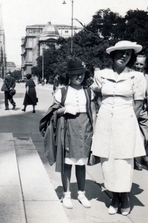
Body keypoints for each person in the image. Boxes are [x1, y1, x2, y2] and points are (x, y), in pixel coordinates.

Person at [91, 40, 146, 216]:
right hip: (105, 121)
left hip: (126, 122)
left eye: (128, 54)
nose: (124, 56)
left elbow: (138, 103)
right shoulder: (101, 75)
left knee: (124, 161)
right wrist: (102, 113)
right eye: (121, 53)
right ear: (113, 55)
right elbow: (98, 98)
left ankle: (124, 197)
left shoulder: (136, 77)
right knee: (108, 161)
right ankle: (114, 197)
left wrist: (128, 121)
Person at [53, 56, 96, 209]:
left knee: (81, 163)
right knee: (67, 163)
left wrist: (95, 132)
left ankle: (82, 194)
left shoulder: (88, 91)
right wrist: (64, 109)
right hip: (68, 129)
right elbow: (52, 112)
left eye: (82, 74)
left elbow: (94, 113)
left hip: (85, 130)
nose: (79, 77)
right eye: (76, 74)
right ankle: (66, 194)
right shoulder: (62, 91)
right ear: (69, 75)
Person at [132, 53, 148, 171]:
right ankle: (134, 160)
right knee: (133, 135)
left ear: (145, 65)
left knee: (147, 136)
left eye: (141, 64)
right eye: (137, 63)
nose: (138, 66)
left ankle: (144, 157)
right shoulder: (130, 76)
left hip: (144, 110)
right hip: (132, 108)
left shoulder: (147, 78)